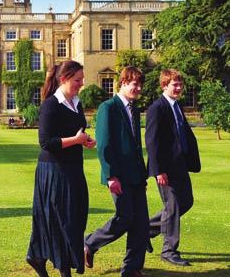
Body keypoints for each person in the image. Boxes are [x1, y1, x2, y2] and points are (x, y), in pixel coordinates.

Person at [27, 61, 96, 277]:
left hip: (74, 169)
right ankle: (62, 270)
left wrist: (84, 141)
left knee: (75, 217)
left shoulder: (77, 102)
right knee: (60, 221)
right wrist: (76, 140)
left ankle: (37, 257)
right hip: (53, 171)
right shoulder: (50, 105)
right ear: (64, 79)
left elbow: (75, 133)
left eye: (82, 79)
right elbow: (46, 143)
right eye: (78, 80)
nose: (81, 84)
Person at [84, 66, 149, 277]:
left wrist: (143, 174)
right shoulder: (108, 107)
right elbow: (103, 144)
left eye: (140, 84)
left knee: (141, 223)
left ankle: (132, 268)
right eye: (134, 84)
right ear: (123, 83)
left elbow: (135, 144)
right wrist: (111, 175)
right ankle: (89, 244)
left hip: (137, 175)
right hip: (118, 175)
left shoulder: (135, 109)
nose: (138, 88)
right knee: (124, 217)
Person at [145, 69, 201, 266]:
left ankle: (145, 231)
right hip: (166, 169)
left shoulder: (177, 106)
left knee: (186, 202)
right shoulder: (156, 108)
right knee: (174, 206)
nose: (178, 88)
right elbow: (151, 142)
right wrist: (158, 170)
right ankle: (169, 250)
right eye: (174, 85)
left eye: (180, 85)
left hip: (180, 165)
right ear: (164, 86)